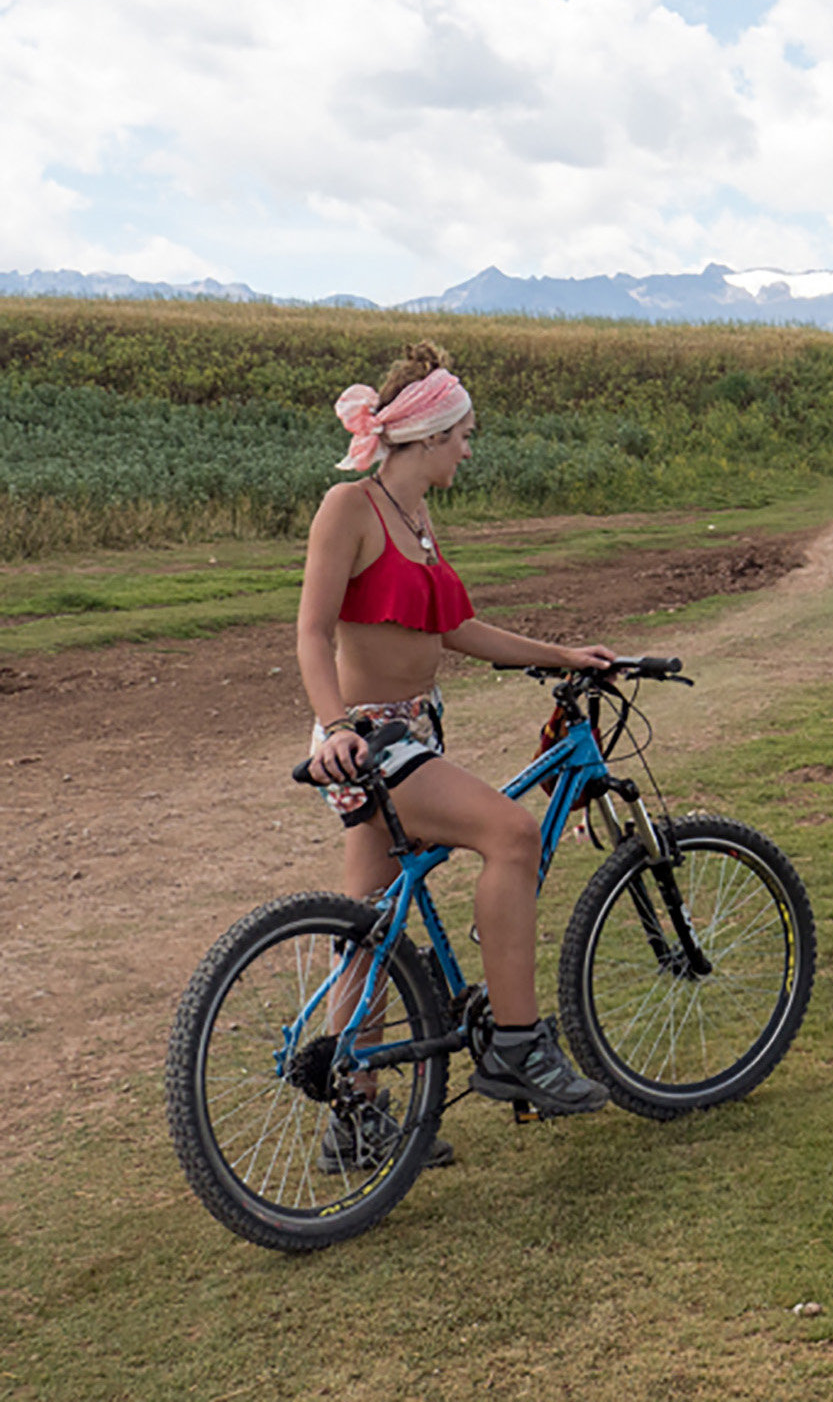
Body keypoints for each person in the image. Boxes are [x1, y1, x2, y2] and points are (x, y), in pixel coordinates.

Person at [297, 342, 618, 1169]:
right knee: (511, 834)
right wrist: (337, 729)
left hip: (414, 730)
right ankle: (518, 1045)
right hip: (371, 736)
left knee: (369, 929)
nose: (470, 449)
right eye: (464, 434)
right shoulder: (350, 507)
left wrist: (559, 655)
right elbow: (312, 631)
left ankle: (353, 1119)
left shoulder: (416, 519)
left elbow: (454, 630)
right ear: (432, 432)